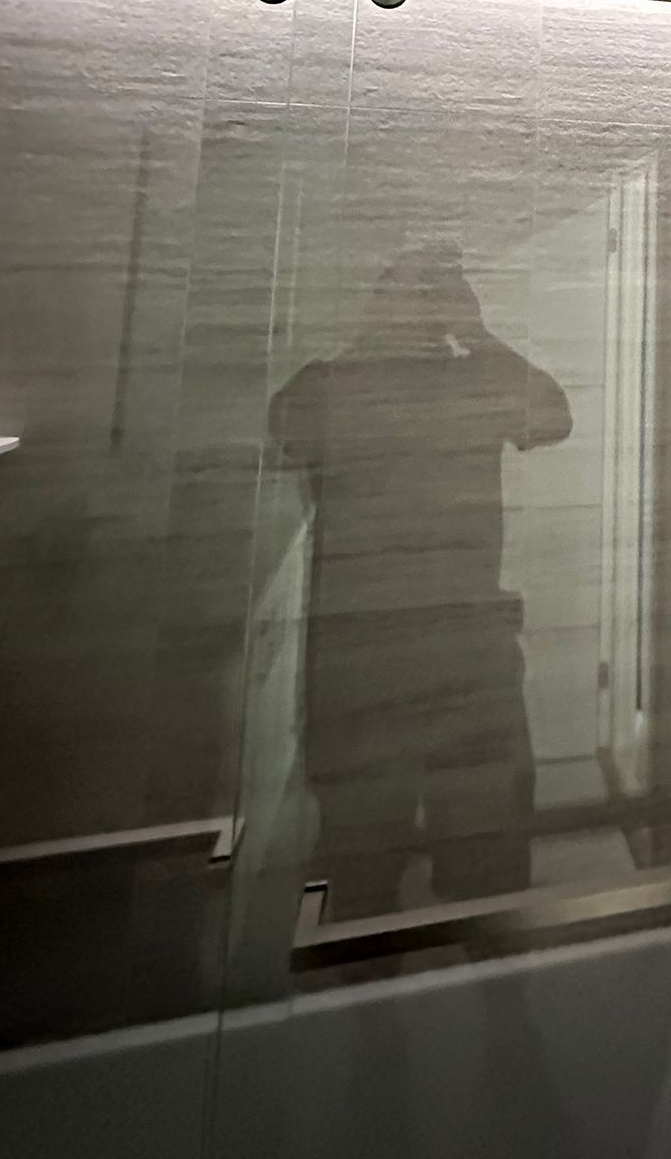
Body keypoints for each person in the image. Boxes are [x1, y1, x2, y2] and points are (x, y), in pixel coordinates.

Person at [270, 247, 572, 918]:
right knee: (362, 873)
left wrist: (475, 334)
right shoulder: (332, 387)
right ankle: (380, 998)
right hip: (371, 666)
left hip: (453, 657)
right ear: (379, 305)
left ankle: (495, 998)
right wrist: (384, 345)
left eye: (440, 295)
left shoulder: (468, 384)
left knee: (485, 877)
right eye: (418, 294)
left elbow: (553, 416)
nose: (429, 308)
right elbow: (281, 432)